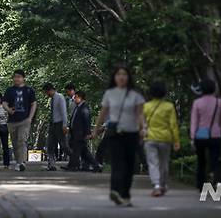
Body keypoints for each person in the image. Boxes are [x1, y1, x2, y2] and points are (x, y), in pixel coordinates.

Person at [93, 63, 146, 207]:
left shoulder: (136, 94)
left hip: (132, 133)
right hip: (115, 132)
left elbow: (140, 114)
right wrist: (96, 129)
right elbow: (103, 113)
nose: (121, 77)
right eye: (118, 74)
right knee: (117, 163)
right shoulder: (110, 93)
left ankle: (125, 194)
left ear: (128, 77)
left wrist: (143, 129)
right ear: (114, 77)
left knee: (129, 164)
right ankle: (115, 190)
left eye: (124, 74)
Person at [143, 81, 180, 197]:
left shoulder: (146, 106)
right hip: (165, 138)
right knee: (164, 163)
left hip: (150, 138)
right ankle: (162, 185)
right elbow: (173, 124)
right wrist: (176, 140)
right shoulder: (169, 106)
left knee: (153, 163)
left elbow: (142, 123)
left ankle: (157, 185)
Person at [191, 78, 221, 191]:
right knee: (216, 161)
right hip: (216, 135)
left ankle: (201, 185)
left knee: (201, 161)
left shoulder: (197, 103)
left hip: (201, 135)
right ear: (213, 89)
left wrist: (192, 137)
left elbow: (194, 122)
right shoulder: (219, 102)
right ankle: (218, 183)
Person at [3, 69, 37, 172]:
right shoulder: (10, 90)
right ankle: (19, 161)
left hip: (24, 120)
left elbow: (33, 104)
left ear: (23, 78)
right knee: (15, 142)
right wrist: (8, 109)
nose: (16, 79)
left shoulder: (29, 90)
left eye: (18, 77)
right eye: (15, 77)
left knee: (22, 140)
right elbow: (4, 103)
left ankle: (21, 162)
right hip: (12, 121)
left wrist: (30, 118)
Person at [69, 91, 101, 172]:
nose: (74, 99)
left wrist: (87, 133)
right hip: (75, 133)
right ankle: (96, 165)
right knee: (84, 152)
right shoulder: (78, 107)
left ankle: (73, 166)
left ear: (80, 97)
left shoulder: (84, 108)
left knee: (77, 150)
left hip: (80, 133)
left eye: (75, 97)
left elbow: (86, 121)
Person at [43, 83, 69, 171]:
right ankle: (51, 164)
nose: (46, 94)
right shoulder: (52, 100)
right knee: (50, 145)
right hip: (53, 124)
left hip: (59, 124)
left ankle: (76, 160)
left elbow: (64, 112)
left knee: (64, 145)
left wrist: (65, 125)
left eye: (46, 92)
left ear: (50, 90)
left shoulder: (60, 97)